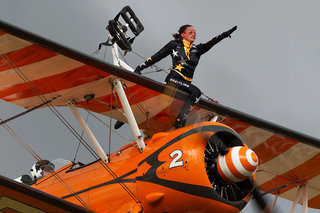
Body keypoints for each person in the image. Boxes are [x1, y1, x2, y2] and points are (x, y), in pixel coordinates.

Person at [133, 24, 237, 128]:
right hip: (174, 79)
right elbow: (157, 56)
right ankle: (180, 121)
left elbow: (212, 42)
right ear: (183, 34)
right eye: (190, 32)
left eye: (195, 33)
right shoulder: (174, 44)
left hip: (186, 84)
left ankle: (178, 120)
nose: (194, 34)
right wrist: (140, 68)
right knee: (196, 92)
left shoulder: (198, 49)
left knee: (193, 94)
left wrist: (224, 35)